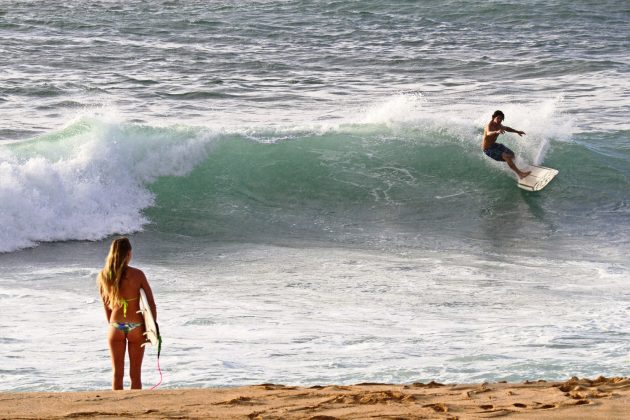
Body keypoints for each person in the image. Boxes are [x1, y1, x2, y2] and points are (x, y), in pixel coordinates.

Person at [97, 237, 157, 390]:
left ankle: (117, 409)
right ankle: (135, 409)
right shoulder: (138, 275)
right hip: (136, 326)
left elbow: (107, 308)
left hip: (115, 325)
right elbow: (150, 304)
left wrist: (113, 326)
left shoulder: (104, 275)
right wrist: (152, 329)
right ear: (129, 254)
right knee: (135, 375)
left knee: (117, 374)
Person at [482, 110, 530, 179]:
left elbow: (507, 128)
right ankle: (520, 174)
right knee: (506, 156)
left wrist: (517, 131)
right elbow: (488, 133)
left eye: (501, 119)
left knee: (512, 155)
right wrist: (497, 131)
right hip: (488, 149)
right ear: (493, 117)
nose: (499, 120)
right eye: (498, 118)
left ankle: (515, 167)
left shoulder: (499, 125)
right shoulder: (488, 126)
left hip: (494, 145)